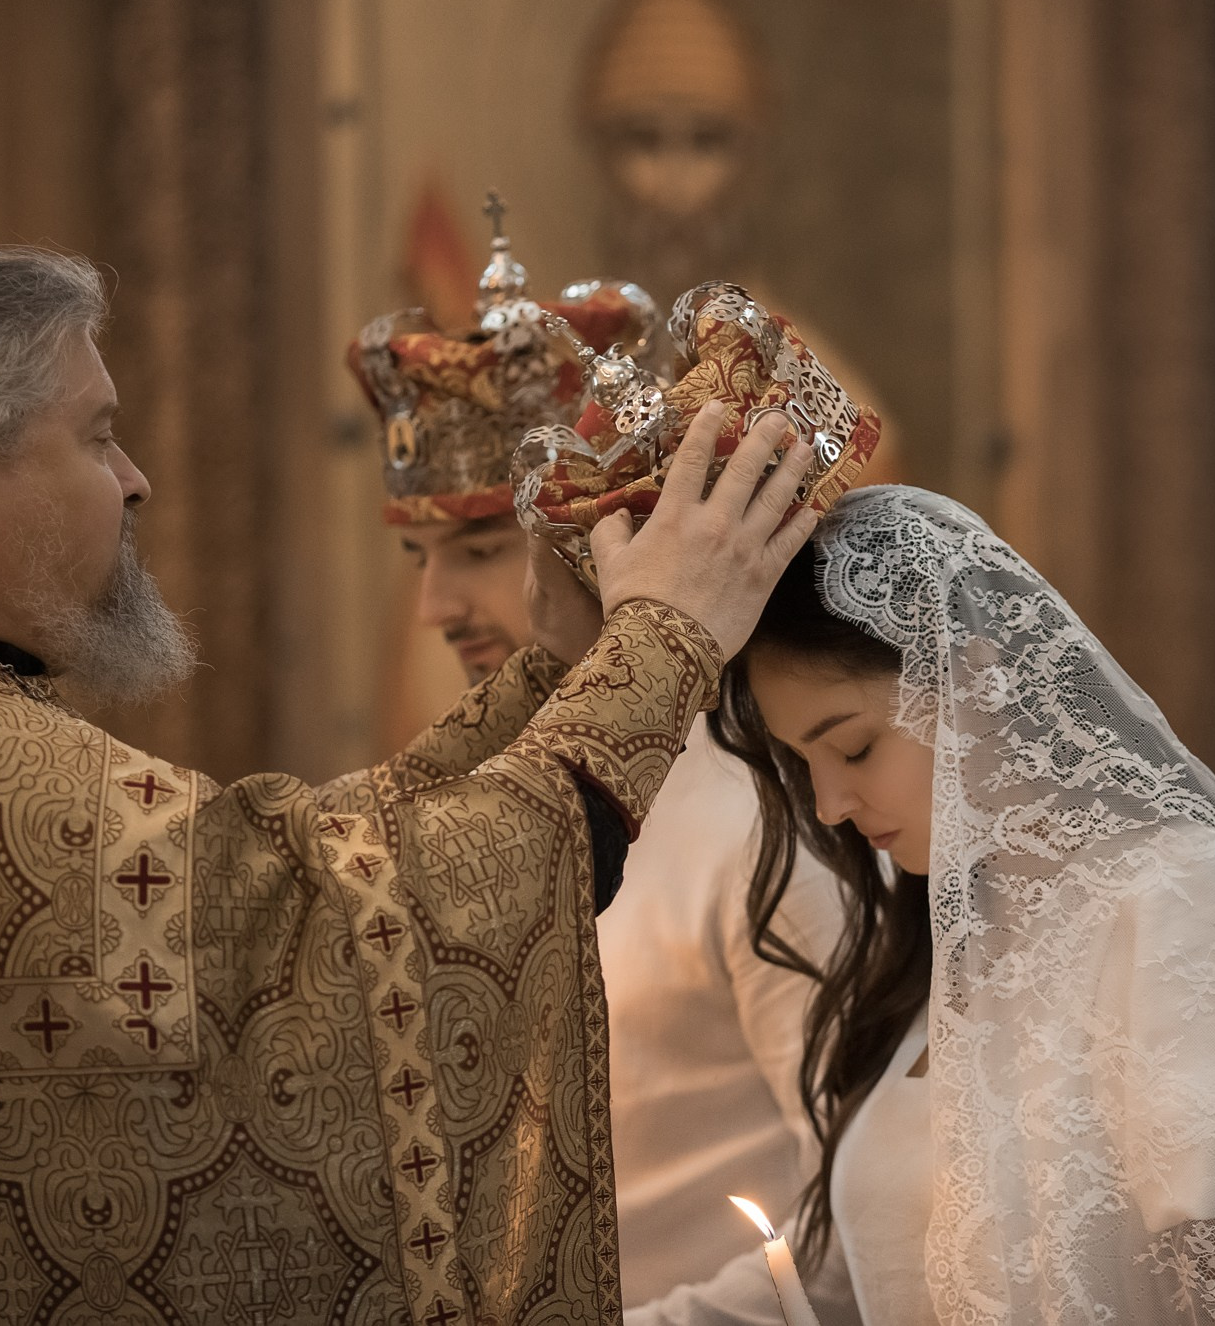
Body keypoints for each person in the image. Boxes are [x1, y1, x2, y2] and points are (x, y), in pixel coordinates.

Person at [0, 245, 819, 1325]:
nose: (135, 477)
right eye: (96, 434)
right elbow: (296, 933)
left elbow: (307, 874)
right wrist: (664, 640)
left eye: (479, 545)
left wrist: (561, 670)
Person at [708, 485, 1215, 1325]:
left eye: (853, 747)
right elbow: (860, 1274)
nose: (829, 802)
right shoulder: (959, 939)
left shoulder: (1187, 907)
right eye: (804, 765)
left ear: (975, 681)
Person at [348, 216, 853, 1316]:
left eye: (482, 548)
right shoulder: (481, 805)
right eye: (419, 559)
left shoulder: (770, 818)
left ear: (609, 537)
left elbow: (866, 1206)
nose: (436, 607)